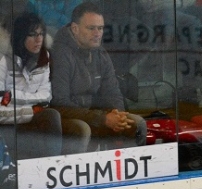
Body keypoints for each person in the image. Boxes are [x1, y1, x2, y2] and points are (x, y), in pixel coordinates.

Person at [50, 2, 147, 150]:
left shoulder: (101, 53)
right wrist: (101, 118)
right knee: (82, 129)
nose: (97, 33)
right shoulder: (61, 54)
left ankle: (126, 171)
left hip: (96, 116)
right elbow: (60, 104)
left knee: (137, 123)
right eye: (91, 28)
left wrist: (118, 115)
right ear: (75, 29)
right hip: (68, 118)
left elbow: (113, 93)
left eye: (100, 28)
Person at [0, 12, 90, 158]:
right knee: (50, 116)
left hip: (36, 119)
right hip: (11, 125)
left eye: (41, 34)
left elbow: (45, 96)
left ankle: (61, 170)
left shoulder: (44, 58)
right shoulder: (4, 62)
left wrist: (13, 96)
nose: (38, 39)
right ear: (20, 37)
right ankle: (51, 166)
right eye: (32, 35)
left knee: (76, 127)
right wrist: (32, 110)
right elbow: (1, 107)